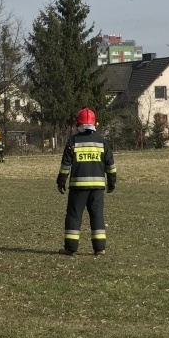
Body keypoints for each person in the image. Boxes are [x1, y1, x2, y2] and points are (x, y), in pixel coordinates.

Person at [56, 108, 116, 256]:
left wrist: (61, 181)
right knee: (97, 216)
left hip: (78, 188)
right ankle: (99, 248)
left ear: (79, 123)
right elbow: (111, 165)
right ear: (94, 123)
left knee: (74, 216)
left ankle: (71, 248)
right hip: (98, 188)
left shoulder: (73, 141)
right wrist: (112, 182)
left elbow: (66, 165)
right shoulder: (102, 142)